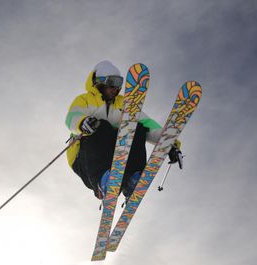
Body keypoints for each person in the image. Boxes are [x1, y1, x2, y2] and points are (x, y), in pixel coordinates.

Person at [65, 60, 181, 200]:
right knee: (101, 126)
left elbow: (148, 124)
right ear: (100, 81)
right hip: (84, 160)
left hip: (112, 157)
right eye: (113, 82)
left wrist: (169, 143)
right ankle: (103, 181)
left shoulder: (123, 103)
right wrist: (82, 122)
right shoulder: (85, 99)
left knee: (136, 127)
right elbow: (72, 116)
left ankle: (131, 180)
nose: (116, 88)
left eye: (119, 83)